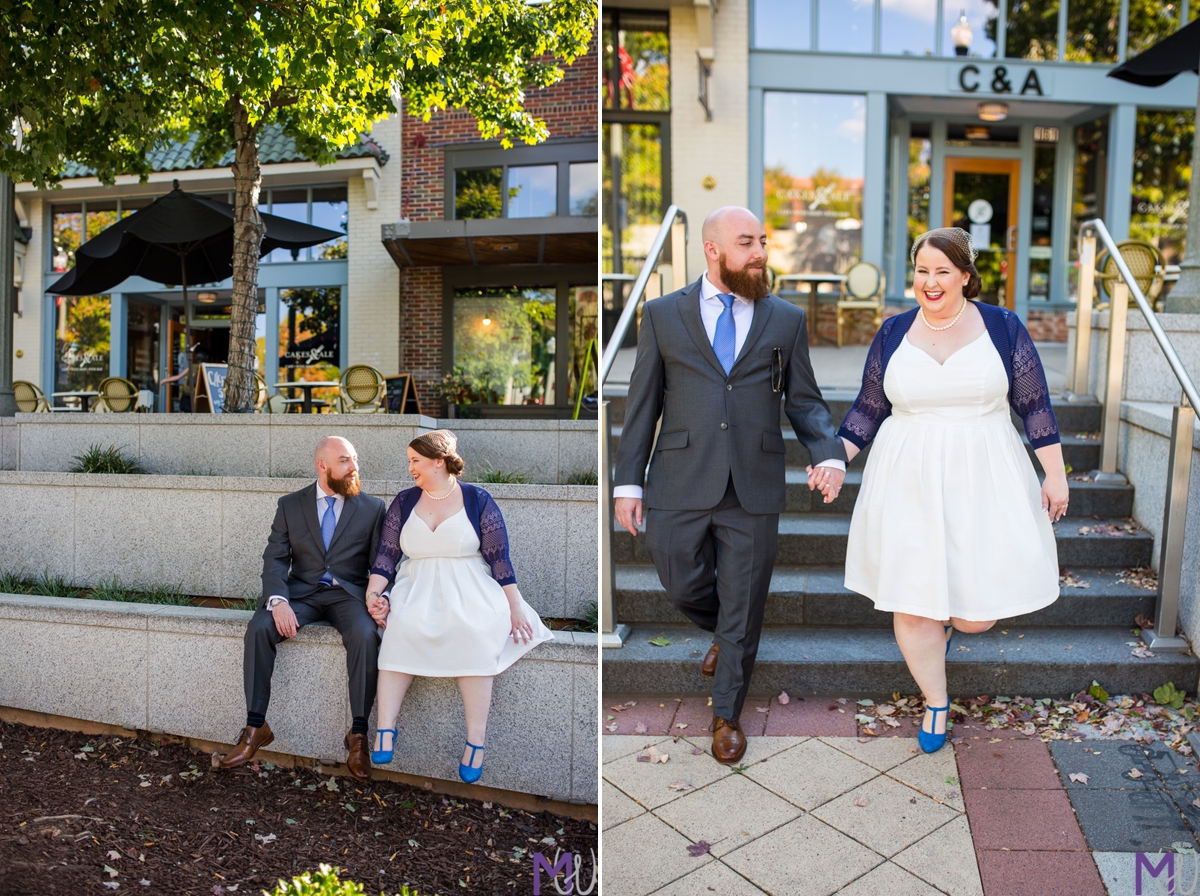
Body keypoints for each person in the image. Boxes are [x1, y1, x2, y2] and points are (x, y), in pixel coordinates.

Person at [612, 206, 847, 765]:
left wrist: (829, 454)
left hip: (753, 481)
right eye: (747, 242)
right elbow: (643, 405)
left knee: (744, 599)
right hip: (679, 477)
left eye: (762, 241)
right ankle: (728, 634)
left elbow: (805, 400)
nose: (760, 252)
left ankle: (726, 716)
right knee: (678, 577)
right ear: (713, 249)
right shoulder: (662, 314)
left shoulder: (784, 318)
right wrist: (628, 482)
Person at [836, 227, 1066, 754]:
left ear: (965, 276)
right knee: (914, 603)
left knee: (973, 615)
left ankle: (943, 630)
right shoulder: (893, 331)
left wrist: (1054, 473)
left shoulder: (1002, 327)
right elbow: (869, 408)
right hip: (907, 474)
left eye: (943, 271)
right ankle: (936, 701)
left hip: (985, 471)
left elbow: (1035, 405)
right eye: (922, 271)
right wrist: (835, 459)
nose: (931, 282)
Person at [363, 430, 553, 783]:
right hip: (414, 585)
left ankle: (475, 742)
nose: (410, 468)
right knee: (400, 625)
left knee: (474, 630)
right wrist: (374, 597)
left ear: (439, 461)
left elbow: (500, 560)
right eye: (409, 462)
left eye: (416, 461)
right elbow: (386, 557)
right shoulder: (403, 502)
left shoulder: (477, 500)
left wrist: (515, 606)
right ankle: (386, 730)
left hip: (470, 586)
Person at [220, 436, 387, 781]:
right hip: (301, 594)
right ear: (322, 465)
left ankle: (358, 736)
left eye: (354, 459)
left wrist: (382, 598)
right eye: (344, 461)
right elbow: (275, 558)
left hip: (348, 595)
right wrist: (279, 601)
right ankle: (255, 727)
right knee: (260, 627)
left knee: (366, 634)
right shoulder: (290, 505)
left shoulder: (372, 508)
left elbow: (380, 565)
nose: (354, 467)